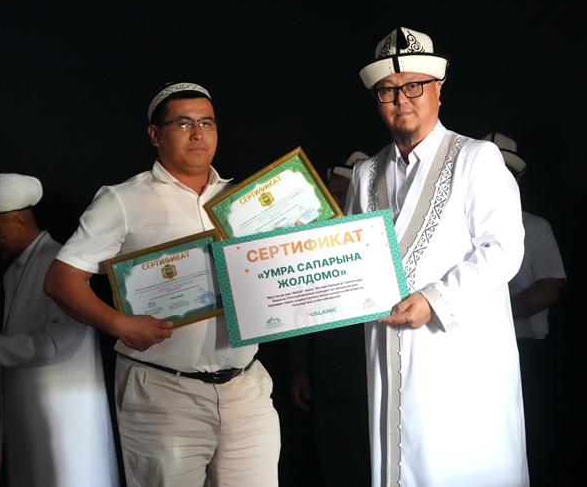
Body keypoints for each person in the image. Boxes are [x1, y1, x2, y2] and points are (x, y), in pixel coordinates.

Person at [44, 82, 280, 487]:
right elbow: (61, 278)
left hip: (245, 387)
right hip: (163, 391)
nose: (198, 133)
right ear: (155, 135)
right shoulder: (123, 200)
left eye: (207, 123)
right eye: (183, 123)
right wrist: (118, 324)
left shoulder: (242, 199)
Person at [346, 27, 528, 485]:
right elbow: (351, 262)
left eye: (413, 86)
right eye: (388, 90)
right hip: (388, 354)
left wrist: (435, 300)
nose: (401, 100)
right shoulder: (365, 174)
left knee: (463, 463)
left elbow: (505, 248)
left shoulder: (477, 157)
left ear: (438, 90)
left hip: (459, 358)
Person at [0, 173, 119, 487]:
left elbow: (60, 342)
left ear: (18, 220)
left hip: (66, 415)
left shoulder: (60, 263)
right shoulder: (14, 272)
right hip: (31, 414)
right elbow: (21, 335)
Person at [483, 133, 567, 485]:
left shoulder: (534, 227)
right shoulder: (456, 231)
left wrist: (488, 314)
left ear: (517, 180)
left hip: (526, 352)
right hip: (475, 354)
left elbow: (548, 291)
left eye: (506, 173)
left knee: (532, 441)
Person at [288, 151, 371, 487]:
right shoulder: (310, 243)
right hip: (330, 379)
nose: (342, 201)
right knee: (339, 469)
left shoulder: (388, 237)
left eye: (348, 193)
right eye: (335, 194)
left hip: (380, 379)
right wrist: (299, 370)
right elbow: (298, 309)